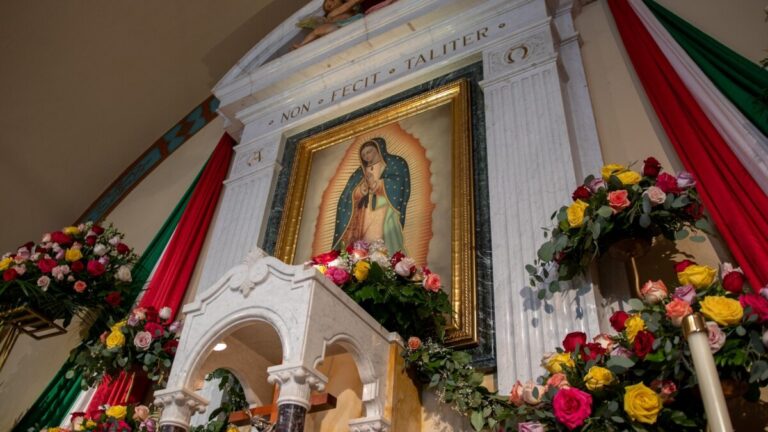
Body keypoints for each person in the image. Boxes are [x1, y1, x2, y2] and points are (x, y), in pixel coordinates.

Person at [333, 137, 410, 253]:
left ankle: (383, 261)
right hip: (364, 212)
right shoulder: (360, 172)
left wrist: (376, 184)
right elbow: (348, 194)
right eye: (363, 154)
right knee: (365, 240)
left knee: (380, 239)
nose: (366, 155)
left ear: (379, 149)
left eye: (369, 151)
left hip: (383, 208)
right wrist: (361, 190)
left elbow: (398, 184)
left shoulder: (394, 163)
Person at [294, 0, 365, 49]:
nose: (329, 2)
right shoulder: (331, 15)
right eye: (327, 6)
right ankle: (302, 44)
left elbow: (349, 6)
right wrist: (354, 1)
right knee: (317, 31)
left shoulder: (352, 10)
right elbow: (346, 6)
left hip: (351, 22)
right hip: (338, 25)